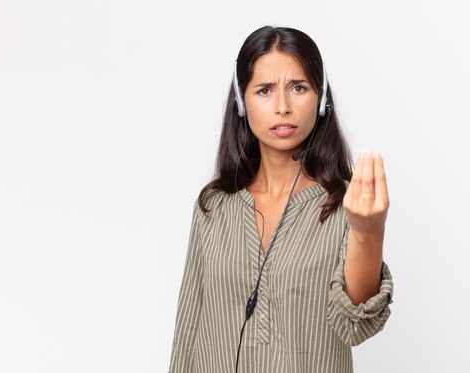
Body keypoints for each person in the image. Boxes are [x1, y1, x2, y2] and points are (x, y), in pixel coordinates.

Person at [168, 25, 394, 373]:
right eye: (264, 90)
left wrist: (368, 231)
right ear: (242, 102)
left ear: (321, 101)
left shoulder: (344, 207)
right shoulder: (213, 208)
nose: (283, 106)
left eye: (298, 88)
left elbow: (355, 324)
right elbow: (188, 332)